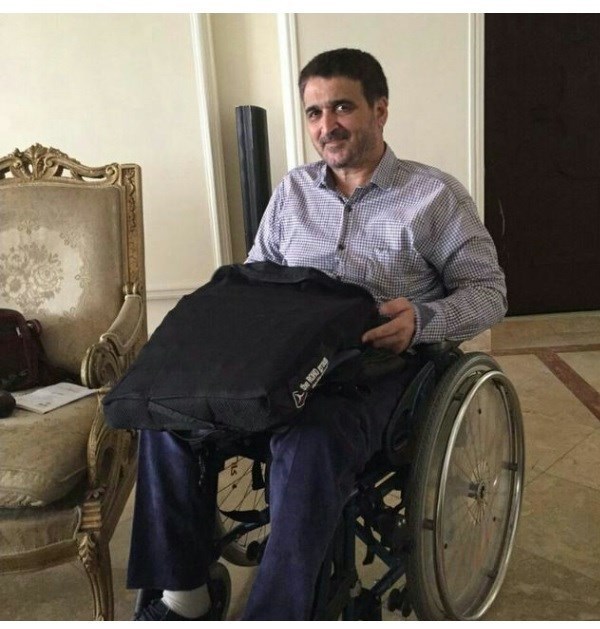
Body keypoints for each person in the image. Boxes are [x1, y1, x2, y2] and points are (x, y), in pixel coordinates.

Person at [131, 48, 507, 621]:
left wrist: (422, 320)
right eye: (314, 112)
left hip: (377, 368)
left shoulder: (435, 196)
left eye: (342, 107)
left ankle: (276, 614)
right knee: (165, 416)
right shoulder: (292, 193)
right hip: (284, 362)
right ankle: (184, 595)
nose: (326, 125)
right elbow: (254, 280)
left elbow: (489, 292)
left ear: (380, 110)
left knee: (310, 441)